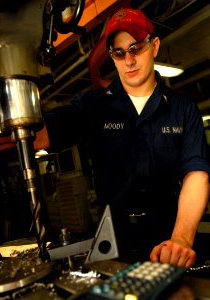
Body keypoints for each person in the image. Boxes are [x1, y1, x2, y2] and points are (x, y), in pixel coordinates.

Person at [44, 7, 210, 268]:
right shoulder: (93, 106)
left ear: (154, 45)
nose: (129, 61)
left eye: (135, 49)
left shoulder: (182, 109)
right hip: (114, 244)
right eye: (119, 54)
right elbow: (42, 134)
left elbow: (196, 173)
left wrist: (181, 238)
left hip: (168, 241)